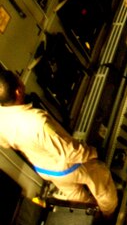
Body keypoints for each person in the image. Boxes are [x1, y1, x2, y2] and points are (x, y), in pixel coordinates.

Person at [0, 70, 118, 216]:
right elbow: (69, 152)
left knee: (75, 195)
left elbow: (5, 144)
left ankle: (92, 216)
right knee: (101, 179)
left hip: (46, 170)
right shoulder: (37, 121)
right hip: (68, 166)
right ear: (18, 91)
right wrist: (94, 153)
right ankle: (109, 213)